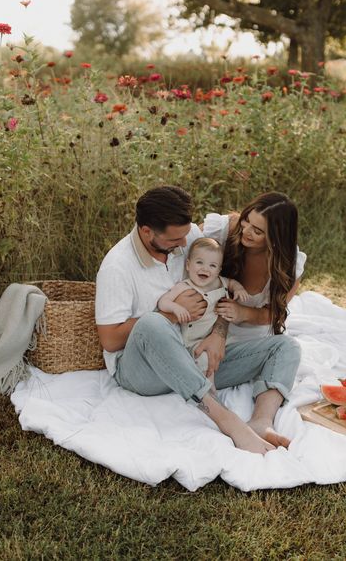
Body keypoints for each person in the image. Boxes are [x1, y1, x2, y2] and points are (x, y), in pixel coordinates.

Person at [95, 185, 301, 455]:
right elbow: (110, 341)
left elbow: (220, 291)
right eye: (175, 240)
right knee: (151, 323)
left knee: (286, 347)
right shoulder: (117, 267)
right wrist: (169, 313)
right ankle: (227, 421)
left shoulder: (188, 235)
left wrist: (219, 334)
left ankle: (261, 421)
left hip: (195, 355)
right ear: (147, 232)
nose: (185, 244)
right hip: (143, 371)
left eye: (186, 235)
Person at [201, 192, 307, 344]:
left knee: (289, 348)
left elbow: (275, 314)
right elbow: (184, 242)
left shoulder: (288, 265)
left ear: (276, 238)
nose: (245, 231)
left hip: (250, 334)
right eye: (246, 221)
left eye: (257, 231)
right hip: (205, 324)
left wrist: (242, 312)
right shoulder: (224, 229)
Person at [157, 237, 249, 387]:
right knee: (204, 359)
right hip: (193, 343)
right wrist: (176, 308)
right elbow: (163, 302)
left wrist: (239, 289)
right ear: (188, 265)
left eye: (212, 265)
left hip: (216, 338)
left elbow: (232, 283)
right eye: (199, 262)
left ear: (219, 270)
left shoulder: (220, 282)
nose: (205, 269)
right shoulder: (185, 286)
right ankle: (208, 389)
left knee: (234, 347)